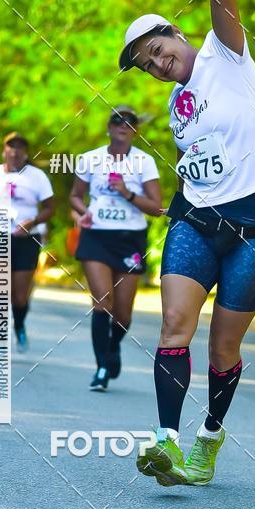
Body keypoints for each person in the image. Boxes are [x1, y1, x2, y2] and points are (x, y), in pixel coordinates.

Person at [118, 0, 255, 486]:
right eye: (147, 64)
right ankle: (164, 440)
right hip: (197, 217)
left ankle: (209, 439)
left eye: (159, 51)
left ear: (178, 34)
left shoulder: (226, 52)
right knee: (174, 326)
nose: (159, 64)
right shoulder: (174, 103)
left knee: (222, 348)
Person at [70, 105, 162, 391]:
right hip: (97, 236)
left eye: (129, 122)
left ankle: (113, 346)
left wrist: (126, 192)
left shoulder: (144, 162)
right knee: (102, 301)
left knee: (123, 314)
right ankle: (100, 368)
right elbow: (75, 195)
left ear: (135, 130)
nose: (123, 125)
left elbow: (157, 207)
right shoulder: (90, 159)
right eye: (117, 120)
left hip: (130, 238)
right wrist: (82, 212)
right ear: (109, 127)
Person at [0, 133, 55, 351]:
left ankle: (19, 324)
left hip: (27, 238)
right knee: (0, 290)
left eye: (20, 147)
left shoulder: (37, 177)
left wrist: (33, 222)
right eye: (11, 147)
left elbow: (51, 208)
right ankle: (1, 335)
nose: (15, 151)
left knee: (20, 295)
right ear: (4, 151)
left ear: (26, 153)